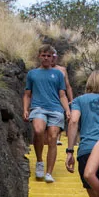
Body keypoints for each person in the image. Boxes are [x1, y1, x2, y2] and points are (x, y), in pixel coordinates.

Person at [23, 44, 70, 183]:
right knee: (38, 131)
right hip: (38, 108)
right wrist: (25, 109)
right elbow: (27, 94)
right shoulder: (32, 74)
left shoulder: (58, 74)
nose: (46, 58)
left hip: (56, 109)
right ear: (39, 56)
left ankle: (49, 172)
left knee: (53, 137)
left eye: (49, 56)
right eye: (43, 55)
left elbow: (62, 94)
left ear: (52, 58)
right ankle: (39, 161)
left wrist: (67, 110)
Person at [52, 50, 73, 145]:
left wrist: (71, 100)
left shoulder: (62, 70)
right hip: (49, 96)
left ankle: (57, 138)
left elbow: (68, 86)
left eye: (54, 56)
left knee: (60, 116)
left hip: (61, 96)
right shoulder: (41, 70)